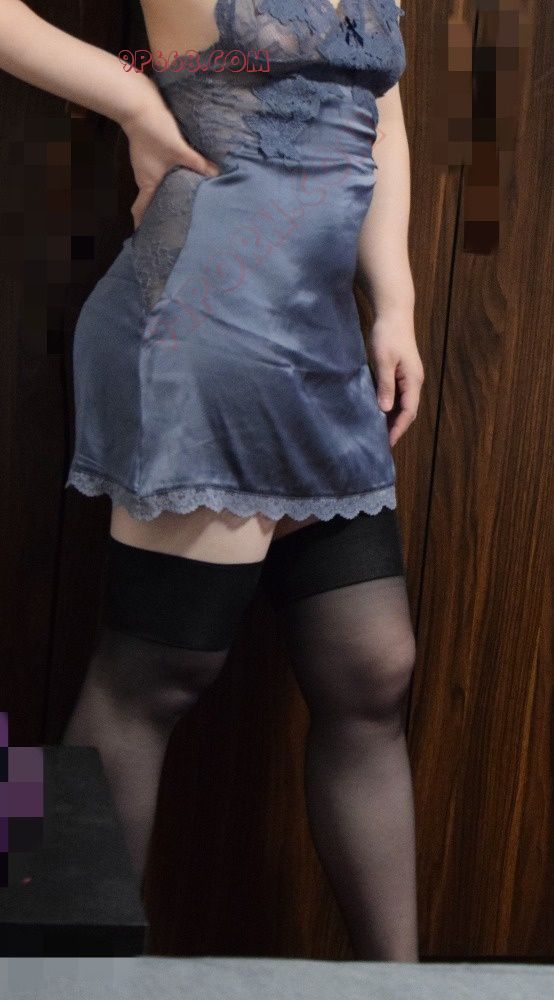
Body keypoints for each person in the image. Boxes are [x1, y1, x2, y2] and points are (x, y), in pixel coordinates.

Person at [0, 0, 424, 960]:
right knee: (152, 674)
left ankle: (401, 988)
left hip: (319, 335)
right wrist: (132, 99)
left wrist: (394, 301)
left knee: (373, 668)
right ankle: (56, 981)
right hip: (203, 317)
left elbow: (385, 116)